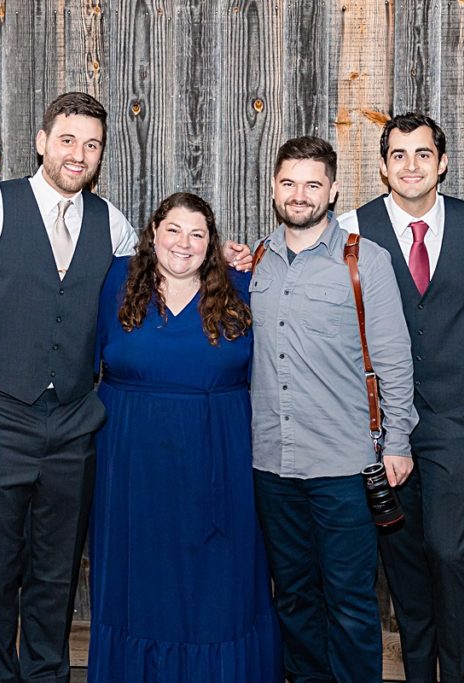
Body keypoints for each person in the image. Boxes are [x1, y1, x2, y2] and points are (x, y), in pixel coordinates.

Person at [0, 92, 251, 682]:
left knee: (55, 572)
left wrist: (230, 261)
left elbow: (174, 266)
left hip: (76, 424)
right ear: (42, 142)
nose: (79, 154)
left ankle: (45, 675)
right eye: (69, 140)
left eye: (92, 145)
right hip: (0, 417)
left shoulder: (116, 224)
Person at [89, 192, 282, 682]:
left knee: (219, 585)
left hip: (218, 457)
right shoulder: (115, 281)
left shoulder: (243, 283)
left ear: (212, 243)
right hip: (131, 463)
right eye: (173, 230)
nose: (184, 243)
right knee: (141, 584)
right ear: (152, 234)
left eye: (198, 234)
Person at [250, 136, 418, 683]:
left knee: (349, 602)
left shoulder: (364, 260)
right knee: (293, 596)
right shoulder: (257, 261)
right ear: (274, 188)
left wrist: (397, 441)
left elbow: (393, 359)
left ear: (334, 189)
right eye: (289, 183)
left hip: (345, 467)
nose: (300, 195)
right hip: (272, 466)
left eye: (313, 184)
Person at [337, 113, 464, 683]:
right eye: (398, 155)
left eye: (422, 154)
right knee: (402, 564)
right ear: (382, 166)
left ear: (442, 162)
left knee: (451, 554)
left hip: (456, 417)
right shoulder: (353, 227)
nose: (411, 166)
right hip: (382, 424)